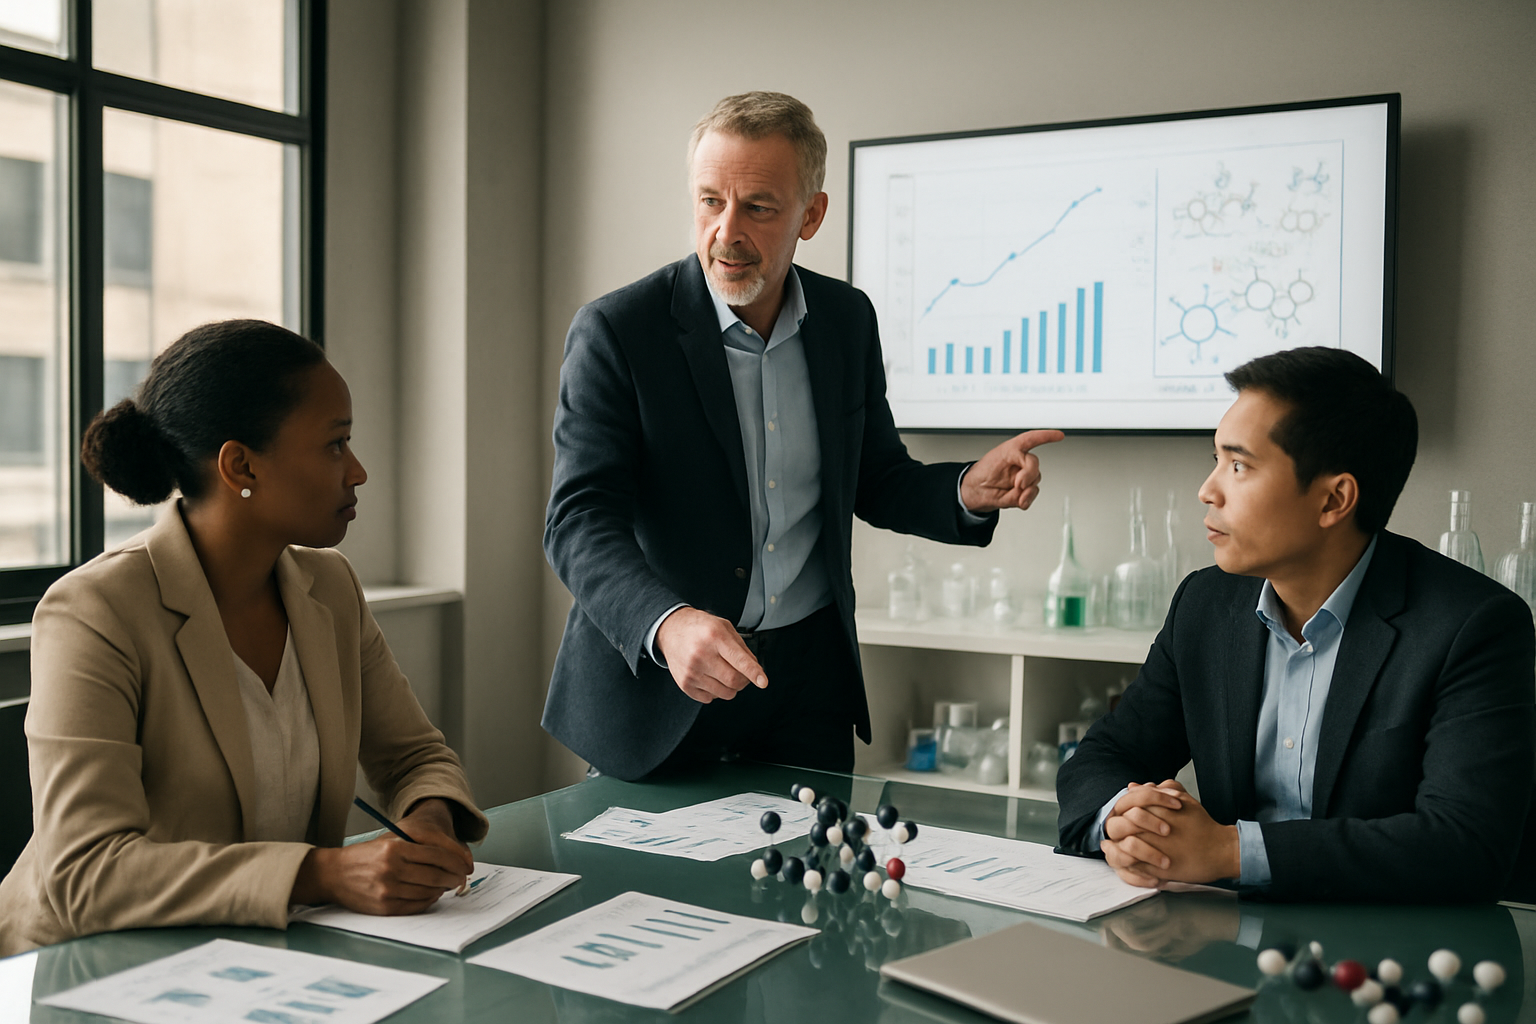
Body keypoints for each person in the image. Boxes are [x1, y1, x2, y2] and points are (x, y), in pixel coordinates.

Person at [543, 91, 1063, 781]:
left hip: (807, 692)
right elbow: (579, 520)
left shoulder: (846, 321)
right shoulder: (618, 331)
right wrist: (669, 625)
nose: (726, 231)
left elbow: (875, 476)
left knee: (814, 889)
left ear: (810, 215)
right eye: (709, 201)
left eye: (757, 206)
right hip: (668, 684)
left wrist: (965, 488)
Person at [0, 320, 486, 956]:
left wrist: (427, 823)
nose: (359, 471)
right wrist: (322, 872)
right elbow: (85, 874)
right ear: (241, 464)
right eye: (335, 445)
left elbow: (414, 757)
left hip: (262, 958)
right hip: (88, 964)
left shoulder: (330, 587)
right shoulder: (94, 611)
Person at [1056, 346, 1536, 902]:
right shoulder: (1205, 604)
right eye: (1215, 460)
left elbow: (1467, 846)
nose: (1208, 490)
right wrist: (1124, 819)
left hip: (1397, 961)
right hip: (1230, 946)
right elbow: (1103, 756)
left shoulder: (1472, 625)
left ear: (1334, 499)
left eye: (1238, 466)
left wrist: (1228, 852)